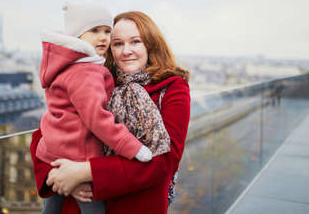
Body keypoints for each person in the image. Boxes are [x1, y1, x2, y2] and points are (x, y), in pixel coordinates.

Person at [30, 11, 191, 214]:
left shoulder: (172, 88)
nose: (126, 51)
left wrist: (83, 172)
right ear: (108, 48)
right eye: (117, 44)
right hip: (79, 203)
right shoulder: (96, 80)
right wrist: (58, 175)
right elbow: (47, 132)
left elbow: (164, 163)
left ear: (150, 44)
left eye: (135, 42)